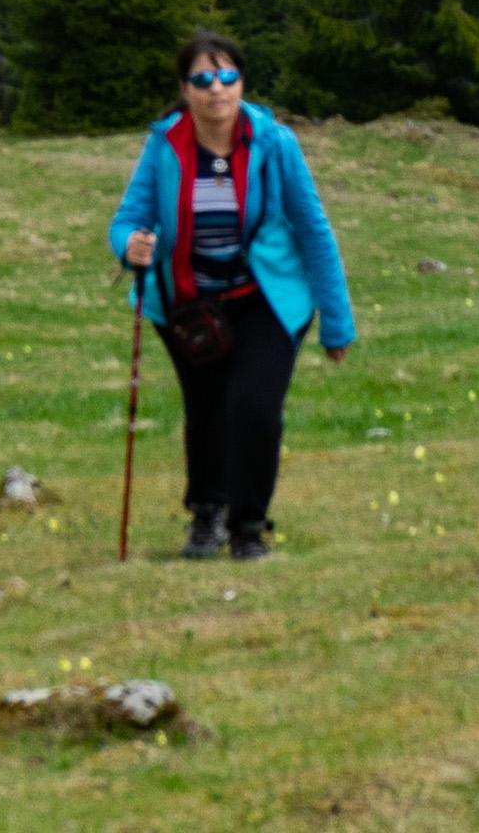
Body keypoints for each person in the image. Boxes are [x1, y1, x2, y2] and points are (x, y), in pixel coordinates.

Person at [110, 30, 355, 561]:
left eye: (227, 76)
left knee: (255, 411)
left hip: (264, 298)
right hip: (189, 301)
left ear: (242, 82)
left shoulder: (275, 143)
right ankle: (207, 516)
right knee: (206, 411)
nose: (216, 88)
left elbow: (314, 230)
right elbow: (127, 219)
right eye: (202, 79)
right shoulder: (165, 145)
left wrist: (337, 323)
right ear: (185, 89)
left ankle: (248, 528)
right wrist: (129, 244)